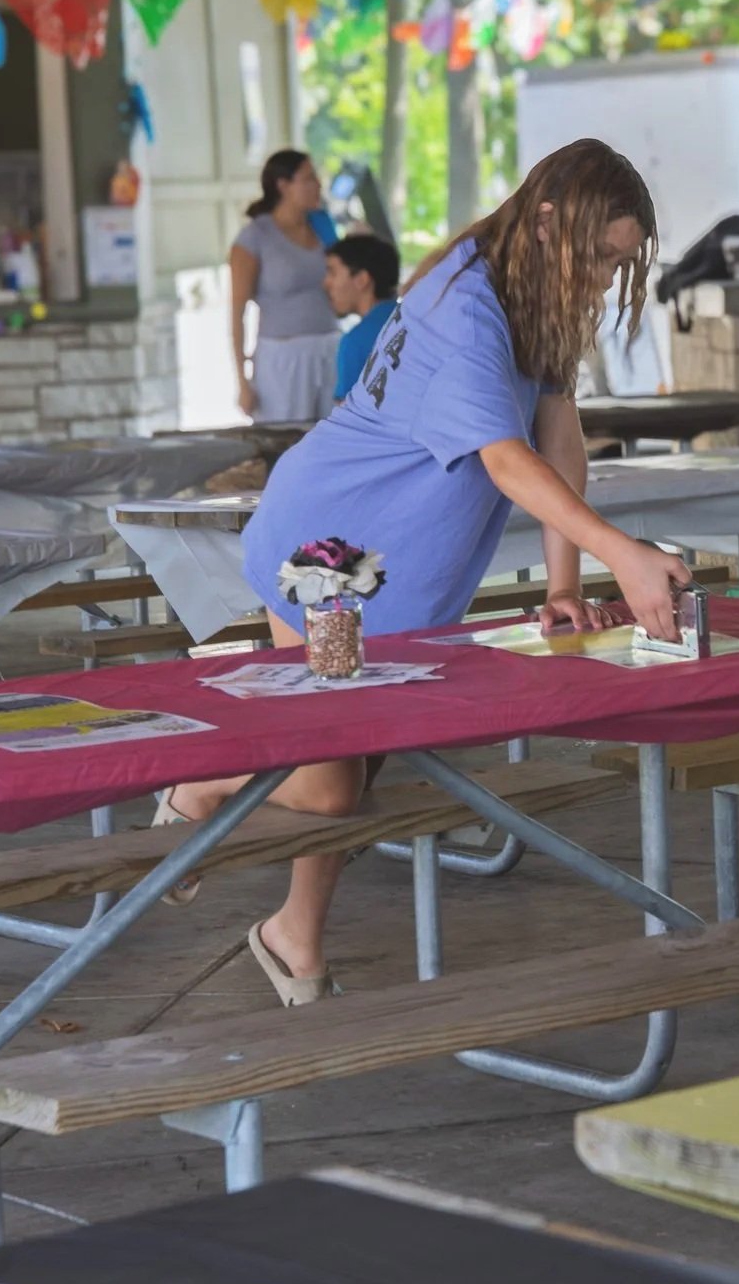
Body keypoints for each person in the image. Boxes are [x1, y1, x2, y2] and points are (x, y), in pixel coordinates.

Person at [163, 139, 693, 1005]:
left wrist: (564, 585)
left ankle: (293, 933)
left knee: (355, 769)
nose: (603, 280)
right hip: (327, 544)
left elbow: (558, 433)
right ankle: (206, 780)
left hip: (399, 572)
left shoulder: (537, 292)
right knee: (331, 779)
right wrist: (621, 553)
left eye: (619, 264)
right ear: (553, 220)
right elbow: (508, 461)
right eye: (600, 258)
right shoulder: (465, 301)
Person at [232, 150, 343, 425]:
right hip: (282, 359)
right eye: (308, 178)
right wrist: (243, 382)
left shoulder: (323, 226)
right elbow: (237, 314)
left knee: (332, 436)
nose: (317, 185)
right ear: (283, 185)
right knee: (287, 441)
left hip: (330, 347)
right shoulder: (255, 237)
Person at [324, 233, 402, 402]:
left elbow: (347, 420)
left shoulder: (355, 342)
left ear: (362, 280)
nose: (326, 283)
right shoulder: (415, 324)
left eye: (333, 272)